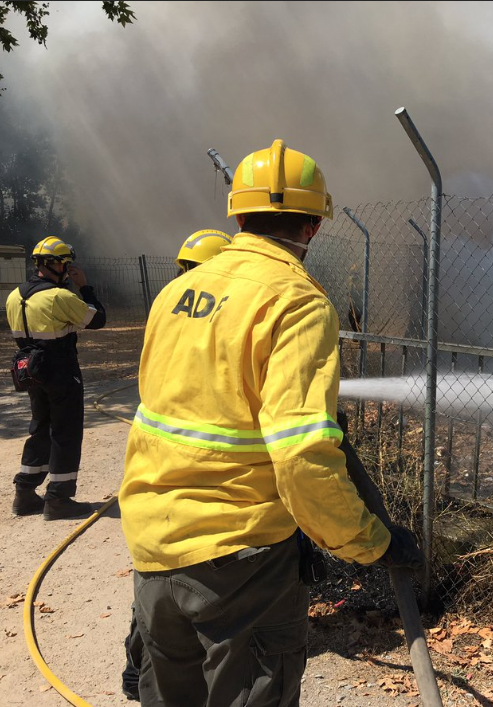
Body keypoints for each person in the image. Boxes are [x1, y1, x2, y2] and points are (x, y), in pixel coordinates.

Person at [119, 139, 424, 707]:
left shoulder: (176, 292)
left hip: (153, 544)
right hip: (243, 563)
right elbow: (301, 455)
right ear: (313, 226)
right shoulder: (297, 303)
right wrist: (372, 543)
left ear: (237, 216)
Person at [120, 227, 233, 702]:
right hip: (208, 498)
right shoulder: (231, 313)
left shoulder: (169, 305)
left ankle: (137, 667)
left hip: (154, 486)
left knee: (156, 602)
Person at [6, 236, 106, 520]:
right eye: (66, 264)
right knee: (66, 432)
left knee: (40, 428)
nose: (68, 268)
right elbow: (98, 319)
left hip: (31, 370)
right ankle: (59, 500)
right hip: (61, 370)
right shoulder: (59, 297)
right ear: (57, 265)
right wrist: (84, 287)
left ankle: (25, 493)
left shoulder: (14, 296)